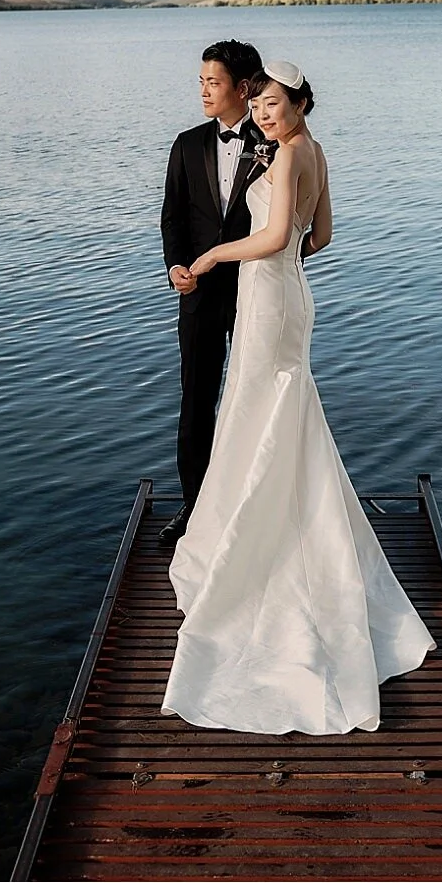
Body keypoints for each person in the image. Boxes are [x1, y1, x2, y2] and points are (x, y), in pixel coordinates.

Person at [162, 60, 434, 735]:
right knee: (273, 411)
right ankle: (275, 514)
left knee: (255, 410)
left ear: (302, 102)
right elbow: (324, 236)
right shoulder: (316, 151)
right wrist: (277, 271)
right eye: (256, 105)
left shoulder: (286, 158)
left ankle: (264, 538)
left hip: (266, 295)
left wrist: (218, 256)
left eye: (273, 103)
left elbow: (281, 236)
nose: (262, 114)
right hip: (286, 295)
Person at [159, 40, 267, 544]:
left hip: (255, 291)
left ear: (242, 89)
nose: (203, 91)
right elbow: (173, 218)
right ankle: (193, 506)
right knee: (197, 400)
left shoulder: (273, 144)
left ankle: (255, 504)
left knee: (256, 398)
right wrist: (176, 267)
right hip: (199, 293)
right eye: (200, 82)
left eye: (213, 83)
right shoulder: (186, 144)